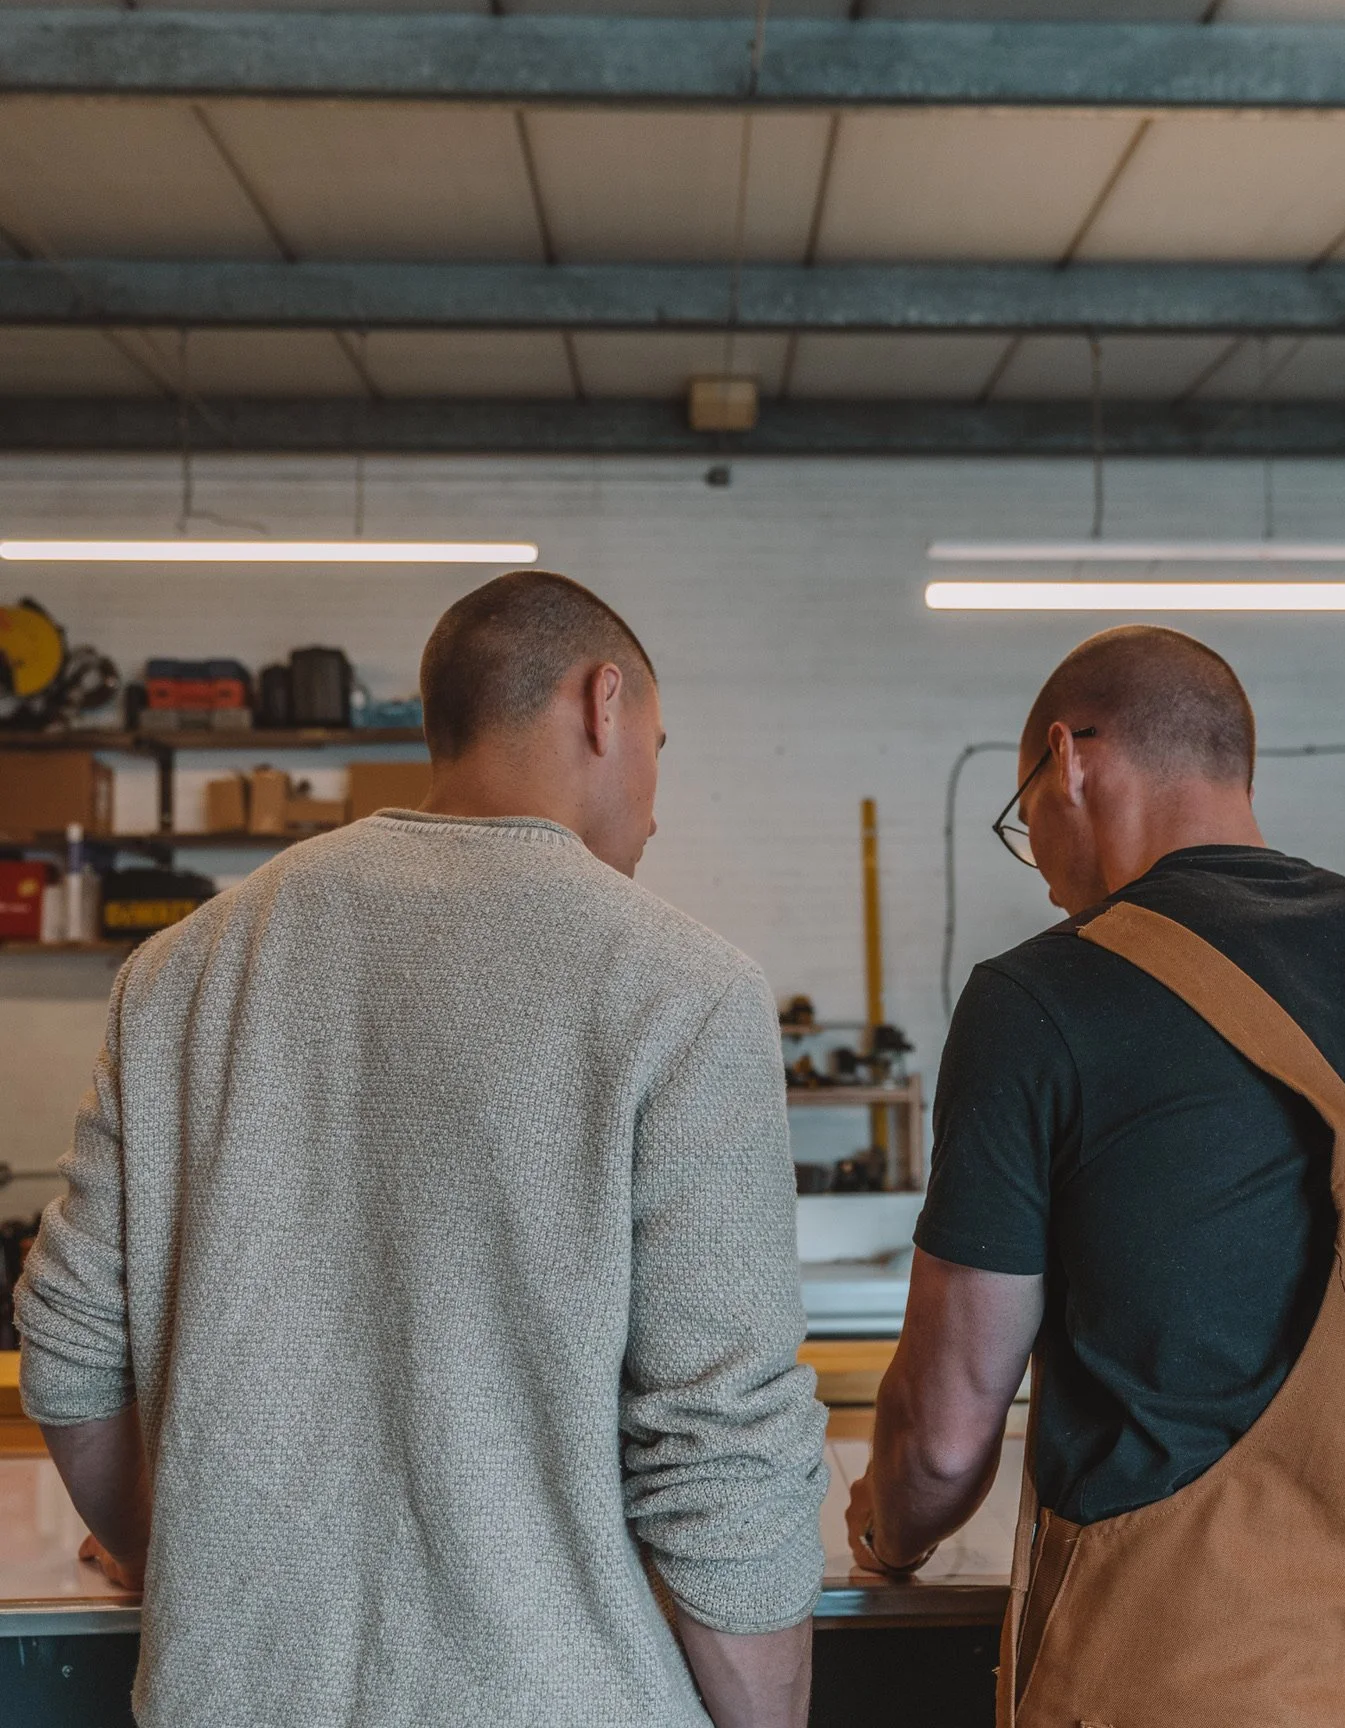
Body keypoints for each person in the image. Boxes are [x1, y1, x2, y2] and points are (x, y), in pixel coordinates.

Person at [15, 570, 825, 1728]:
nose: (656, 802)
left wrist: (193, 1566)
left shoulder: (183, 970)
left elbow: (69, 1345)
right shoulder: (683, 989)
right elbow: (722, 1445)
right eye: (656, 745)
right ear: (603, 706)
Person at [847, 624, 1345, 1728]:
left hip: (1138, 1681)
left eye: (1028, 822)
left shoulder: (1039, 996)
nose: (1047, 867)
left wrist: (889, 1525)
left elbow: (948, 1421)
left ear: (1067, 760)